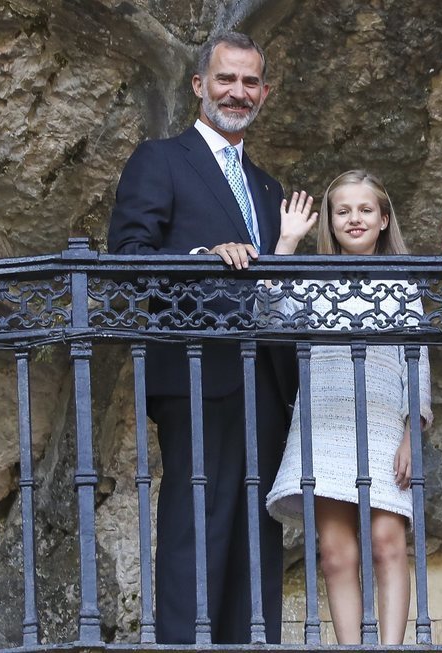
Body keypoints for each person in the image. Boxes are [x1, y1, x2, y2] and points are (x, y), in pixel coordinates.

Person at [107, 31, 312, 644]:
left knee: (257, 535)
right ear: (199, 85)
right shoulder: (160, 159)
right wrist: (201, 256)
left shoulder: (270, 187)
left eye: (250, 82)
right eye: (226, 79)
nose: (238, 91)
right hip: (198, 373)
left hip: (266, 381)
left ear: (265, 93)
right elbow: (129, 258)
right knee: (197, 526)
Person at [265, 170, 432, 644]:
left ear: (383, 219)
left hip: (382, 421)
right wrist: (286, 244)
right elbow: (271, 314)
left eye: (365, 209)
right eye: (343, 211)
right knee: (337, 553)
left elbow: (415, 361)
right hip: (323, 423)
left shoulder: (402, 282)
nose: (354, 218)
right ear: (330, 222)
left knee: (387, 543)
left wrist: (410, 432)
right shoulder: (310, 277)